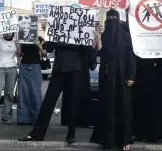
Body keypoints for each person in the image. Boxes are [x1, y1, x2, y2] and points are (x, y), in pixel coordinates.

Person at [18, 32, 97, 143]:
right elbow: (49, 47)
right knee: (49, 101)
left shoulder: (78, 31)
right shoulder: (59, 29)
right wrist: (41, 42)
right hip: (61, 69)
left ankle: (71, 134)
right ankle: (38, 133)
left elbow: (82, 48)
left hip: (75, 70)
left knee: (73, 102)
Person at [90, 9, 136, 151]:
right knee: (107, 107)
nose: (111, 21)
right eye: (108, 18)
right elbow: (99, 52)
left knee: (123, 108)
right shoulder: (102, 34)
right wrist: (97, 38)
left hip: (123, 77)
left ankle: (124, 139)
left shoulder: (126, 36)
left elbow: (131, 56)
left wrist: (131, 76)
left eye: (113, 18)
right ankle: (107, 139)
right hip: (107, 76)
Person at [16, 36, 47, 125]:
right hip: (24, 65)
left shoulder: (40, 39)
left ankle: (36, 118)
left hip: (35, 65)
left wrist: (39, 46)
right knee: (23, 92)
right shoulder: (23, 38)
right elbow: (19, 54)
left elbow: (45, 54)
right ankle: (23, 118)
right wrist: (18, 45)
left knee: (35, 93)